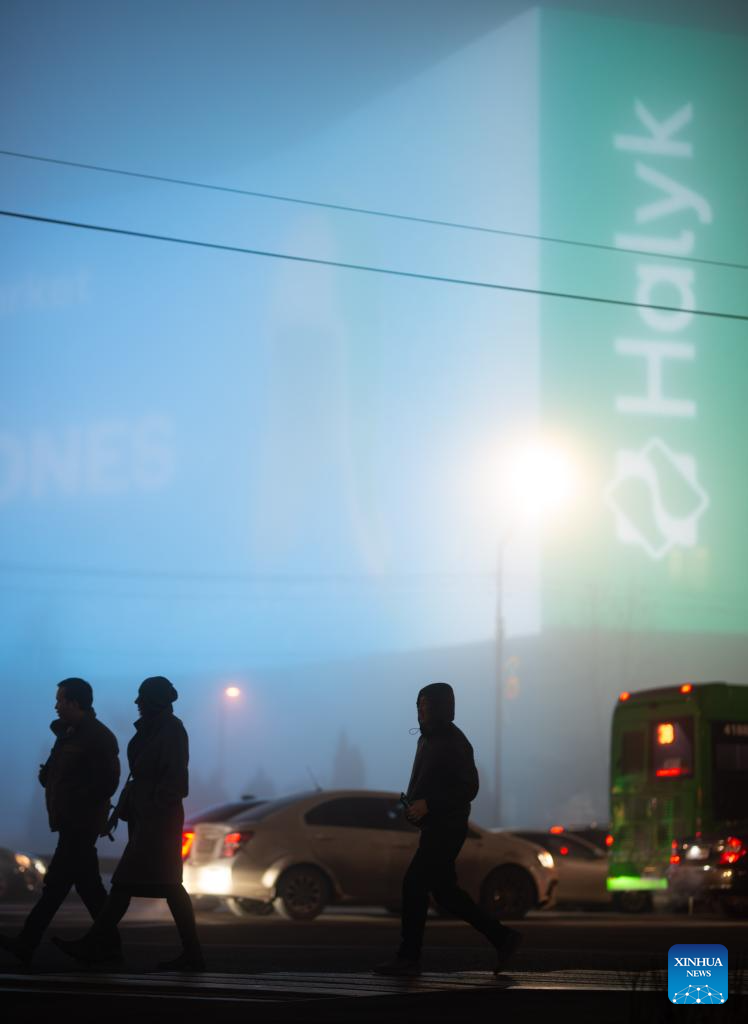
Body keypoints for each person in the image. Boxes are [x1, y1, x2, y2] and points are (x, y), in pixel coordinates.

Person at [54, 676, 204, 971]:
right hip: (147, 817)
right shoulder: (154, 730)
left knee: (128, 883)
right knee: (167, 885)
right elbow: (137, 779)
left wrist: (153, 808)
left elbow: (175, 780)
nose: (137, 703)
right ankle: (192, 953)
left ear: (155, 700)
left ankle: (94, 944)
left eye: (142, 697)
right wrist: (121, 813)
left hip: (158, 821)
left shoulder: (172, 730)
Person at [374, 682, 521, 976]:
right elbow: (425, 783)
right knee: (446, 894)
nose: (422, 710)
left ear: (443, 707)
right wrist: (415, 808)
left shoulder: (454, 741)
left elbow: (469, 787)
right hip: (434, 826)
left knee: (414, 884)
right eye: (419, 704)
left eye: (427, 705)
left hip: (448, 828)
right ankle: (503, 937)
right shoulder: (426, 739)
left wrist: (429, 804)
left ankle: (408, 958)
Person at [0, 677, 120, 966]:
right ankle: (110, 948)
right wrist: (49, 777)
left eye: (60, 699)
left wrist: (78, 800)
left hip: (81, 822)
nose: (56, 705)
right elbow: (59, 772)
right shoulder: (68, 734)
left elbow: (107, 782)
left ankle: (27, 943)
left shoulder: (97, 736)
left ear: (74, 702)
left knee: (57, 886)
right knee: (86, 888)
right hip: (70, 820)